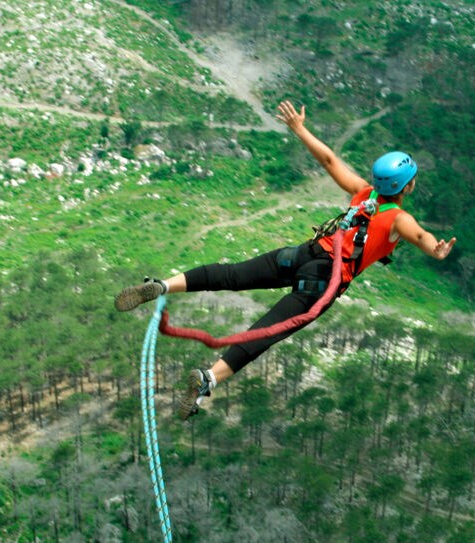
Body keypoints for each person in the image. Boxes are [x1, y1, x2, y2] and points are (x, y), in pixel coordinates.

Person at [115, 100, 456, 420]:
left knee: (232, 275)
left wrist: (299, 129)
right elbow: (420, 235)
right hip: (324, 281)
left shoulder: (363, 192)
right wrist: (435, 251)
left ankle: (163, 285)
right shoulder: (397, 217)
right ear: (406, 187)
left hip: (304, 254)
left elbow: (329, 161)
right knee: (263, 331)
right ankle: (209, 378)